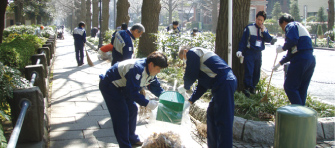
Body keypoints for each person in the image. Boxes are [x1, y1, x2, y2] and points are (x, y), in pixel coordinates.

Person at [99, 51, 168, 148]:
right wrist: (147, 103)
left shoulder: (150, 70)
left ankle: (132, 138)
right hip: (110, 86)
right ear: (151, 64)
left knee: (132, 109)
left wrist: (166, 97)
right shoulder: (137, 69)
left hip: (124, 87)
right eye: (158, 68)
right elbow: (132, 92)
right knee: (121, 114)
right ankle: (125, 145)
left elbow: (155, 86)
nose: (159, 71)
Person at [177, 46, 237, 148]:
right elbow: (202, 86)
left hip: (225, 82)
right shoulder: (202, 64)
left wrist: (186, 86)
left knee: (223, 120)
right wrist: (190, 101)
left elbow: (190, 74)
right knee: (211, 113)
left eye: (183, 58)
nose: (185, 62)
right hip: (220, 85)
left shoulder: (193, 52)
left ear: (185, 52)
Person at [272, 13, 315, 105]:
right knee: (301, 89)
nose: (283, 30)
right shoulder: (300, 27)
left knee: (289, 87)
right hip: (310, 59)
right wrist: (279, 63)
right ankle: (302, 113)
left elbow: (292, 41)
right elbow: (291, 52)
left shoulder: (291, 25)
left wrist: (282, 48)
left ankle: (298, 113)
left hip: (300, 59)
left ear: (283, 22)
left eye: (281, 27)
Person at [236, 11, 273, 97]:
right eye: (258, 19)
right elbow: (243, 41)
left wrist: (264, 32)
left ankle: (253, 87)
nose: (259, 21)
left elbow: (269, 40)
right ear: (255, 19)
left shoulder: (264, 29)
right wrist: (240, 50)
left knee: (257, 70)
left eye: (261, 20)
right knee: (249, 70)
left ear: (263, 21)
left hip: (258, 53)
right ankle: (247, 88)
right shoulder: (249, 28)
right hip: (250, 52)